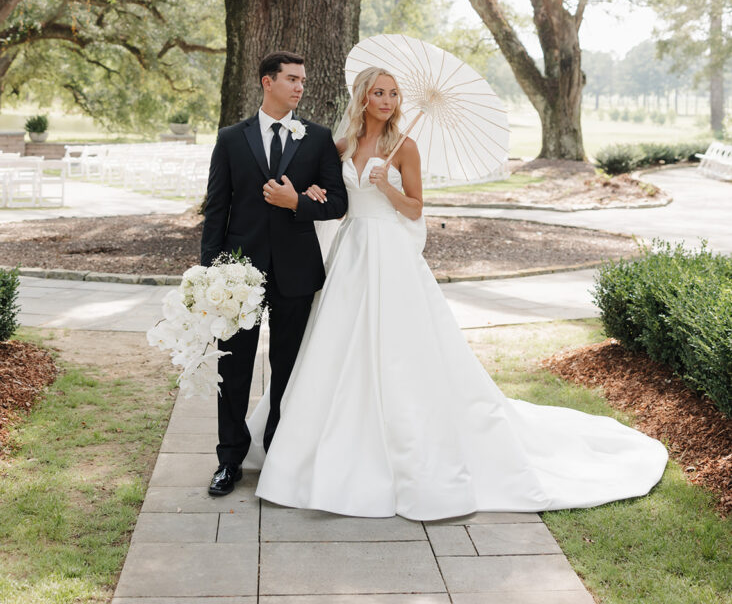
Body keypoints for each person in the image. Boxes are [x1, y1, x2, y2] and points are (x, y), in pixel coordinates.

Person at [243, 65, 668, 520]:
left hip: (391, 257)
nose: (387, 101)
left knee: (399, 351)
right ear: (363, 97)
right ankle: (312, 449)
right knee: (332, 345)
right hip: (351, 255)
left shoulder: (405, 148)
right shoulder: (341, 145)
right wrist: (312, 192)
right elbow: (333, 198)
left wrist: (387, 186)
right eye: (379, 93)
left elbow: (415, 209)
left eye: (393, 94)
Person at [201, 50, 347, 496]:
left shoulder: (318, 139)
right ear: (267, 82)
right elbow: (216, 209)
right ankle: (229, 461)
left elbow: (339, 202)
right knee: (234, 368)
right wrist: (211, 273)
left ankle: (278, 452)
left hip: (296, 273)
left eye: (303, 79)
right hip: (238, 276)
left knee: (288, 368)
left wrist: (298, 203)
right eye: (291, 79)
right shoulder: (231, 138)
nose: (300, 86)